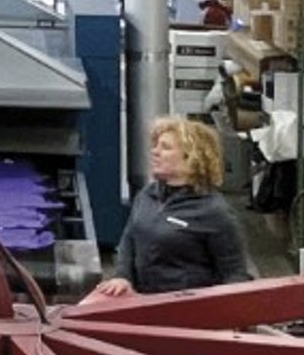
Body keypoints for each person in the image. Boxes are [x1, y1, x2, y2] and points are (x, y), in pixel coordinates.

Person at [94, 117, 251, 296]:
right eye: (155, 145)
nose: (155, 152)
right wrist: (122, 277)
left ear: (191, 157)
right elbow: (129, 240)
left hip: (186, 311)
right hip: (143, 303)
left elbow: (235, 274)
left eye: (165, 147)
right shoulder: (147, 195)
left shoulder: (214, 211)